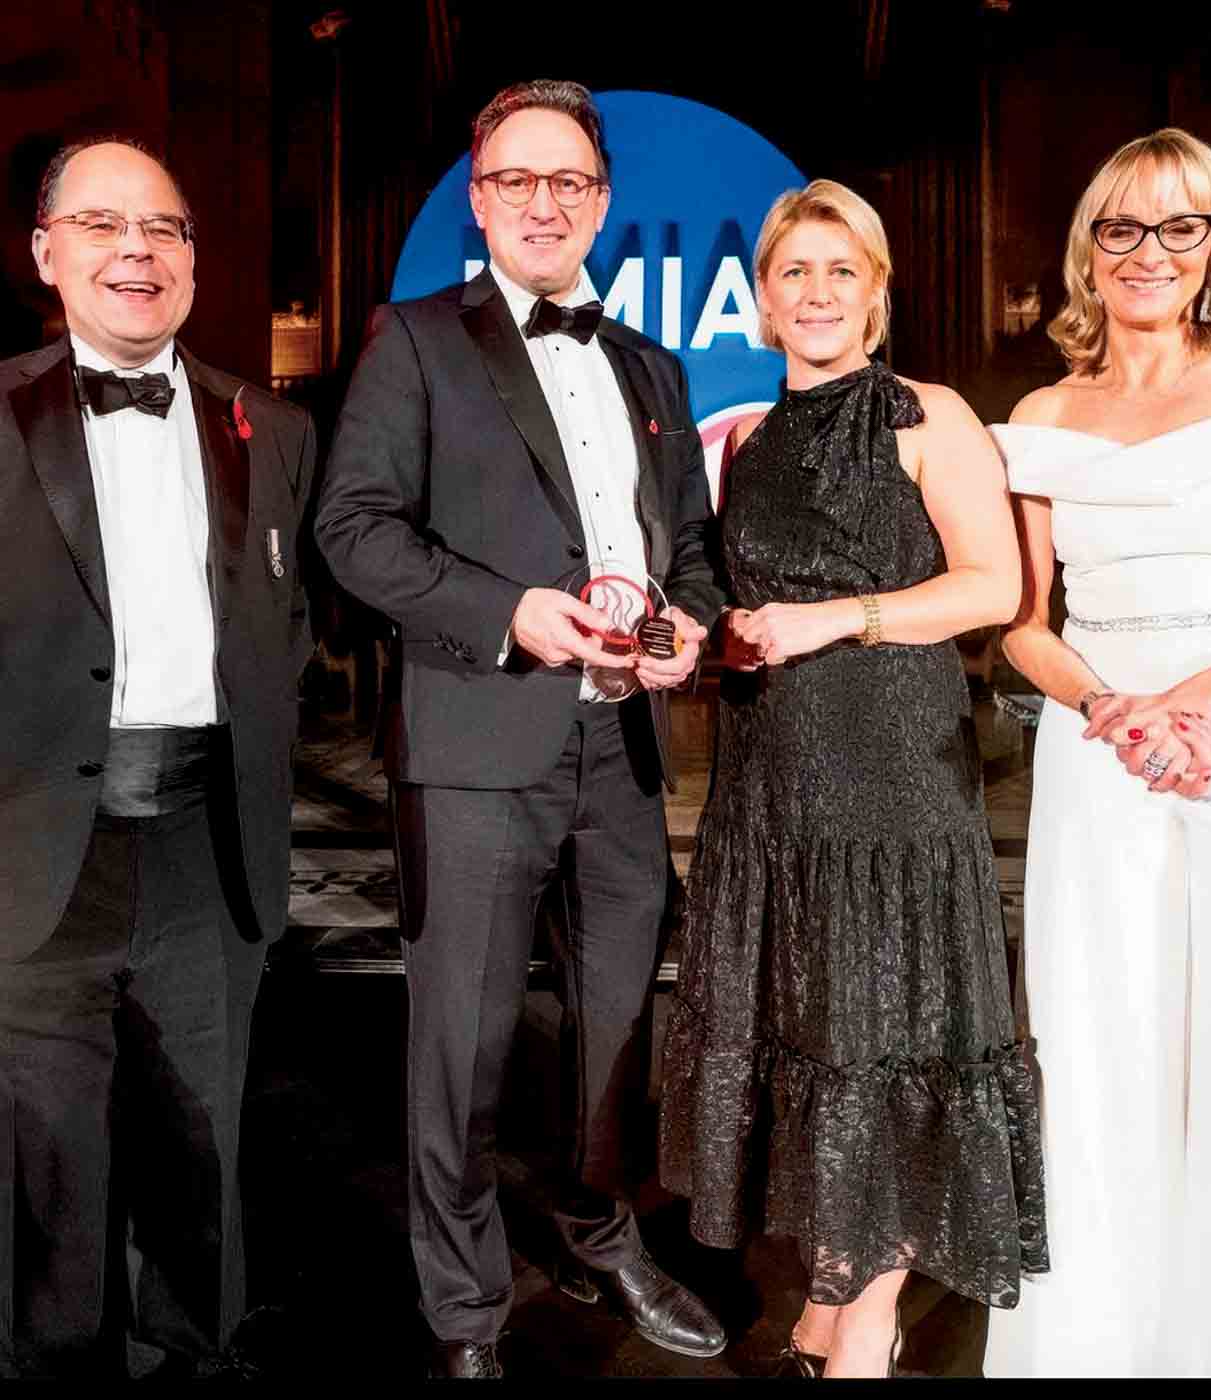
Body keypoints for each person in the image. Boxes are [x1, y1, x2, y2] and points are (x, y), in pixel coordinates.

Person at [314, 80, 727, 1378]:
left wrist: (690, 628)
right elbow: (352, 530)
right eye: (515, 180)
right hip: (477, 741)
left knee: (613, 1033)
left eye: (567, 182)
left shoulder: (651, 366)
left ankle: (598, 1233)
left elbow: (695, 553)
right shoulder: (417, 338)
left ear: (599, 201)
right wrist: (511, 615)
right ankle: (466, 1312)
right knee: (463, 1045)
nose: (542, 203)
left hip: (619, 751)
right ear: (478, 197)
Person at [658, 179, 1049, 1379]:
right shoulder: (751, 441)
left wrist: (836, 619)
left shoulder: (924, 415)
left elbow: (992, 589)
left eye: (841, 270)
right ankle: (831, 1292)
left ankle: (864, 1321)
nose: (815, 292)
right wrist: (696, 640)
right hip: (770, 781)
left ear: (876, 292)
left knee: (881, 1029)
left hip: (889, 772)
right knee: (813, 1030)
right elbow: (746, 613)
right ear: (761, 300)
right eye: (792, 273)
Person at [983, 128, 1211, 1378]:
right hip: (1105, 752)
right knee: (1097, 1048)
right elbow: (1020, 623)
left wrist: (1189, 705)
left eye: (1178, 227)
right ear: (1089, 247)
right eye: (1121, 227)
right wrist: (1116, 712)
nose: (1148, 252)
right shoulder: (1039, 413)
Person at [0, 138, 316, 1378]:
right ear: (46, 252)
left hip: (207, 847)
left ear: (192, 260)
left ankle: (197, 1353)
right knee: (47, 1166)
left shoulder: (273, 425)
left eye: (165, 230)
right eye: (102, 225)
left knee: (203, 1156)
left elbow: (285, 633)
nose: (137, 250)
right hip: (34, 853)